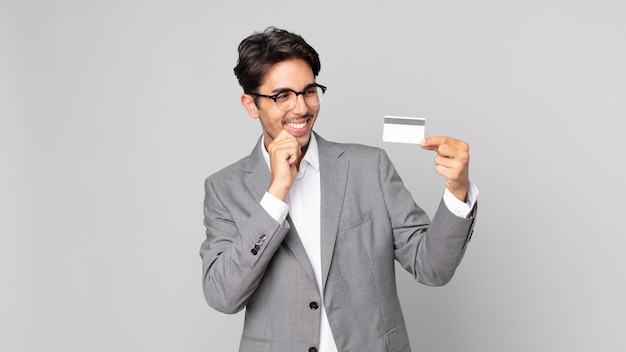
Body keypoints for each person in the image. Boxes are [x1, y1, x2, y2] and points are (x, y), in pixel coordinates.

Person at [200, 26, 478, 352]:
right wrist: (275, 194)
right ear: (251, 104)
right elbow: (223, 296)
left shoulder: (369, 167)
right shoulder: (224, 188)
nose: (301, 108)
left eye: (308, 91)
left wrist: (457, 191)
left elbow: (432, 267)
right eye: (282, 96)